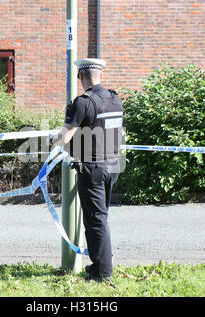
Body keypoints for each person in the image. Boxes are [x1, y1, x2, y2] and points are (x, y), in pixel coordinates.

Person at [48, 58, 124, 282]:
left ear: (80, 77)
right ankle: (98, 264)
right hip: (113, 165)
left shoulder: (83, 102)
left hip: (93, 168)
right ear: (100, 76)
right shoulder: (114, 99)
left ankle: (103, 272)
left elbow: (66, 136)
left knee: (95, 220)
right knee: (99, 217)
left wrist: (52, 139)